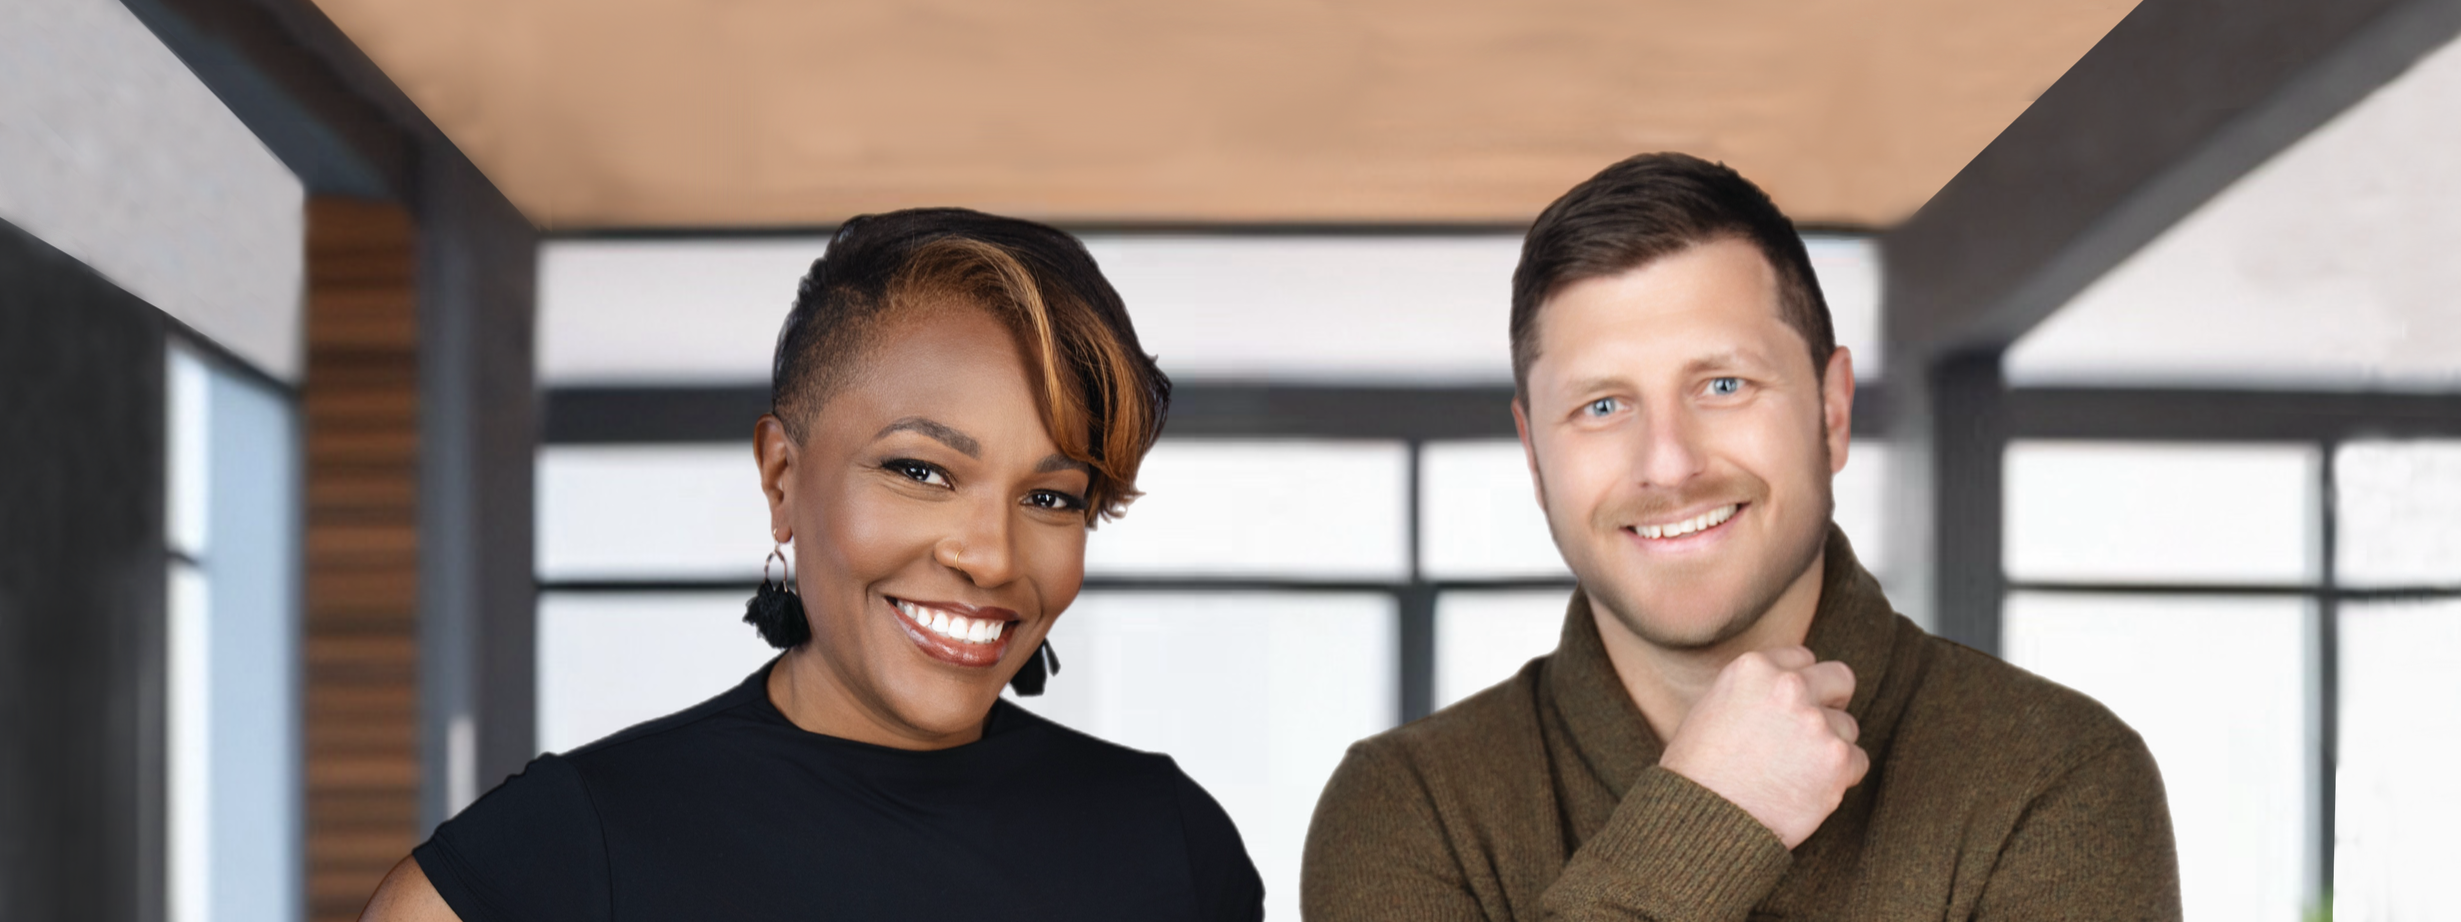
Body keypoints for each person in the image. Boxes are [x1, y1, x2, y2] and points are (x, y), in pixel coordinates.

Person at [1300, 154, 2180, 920]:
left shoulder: (2057, 776)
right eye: (1601, 406)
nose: (1670, 463)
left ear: (1831, 412)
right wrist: (1711, 820)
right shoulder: (1405, 808)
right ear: (1535, 456)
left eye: (1722, 385)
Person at [358, 208, 1265, 921]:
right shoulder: (571, 844)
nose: (990, 557)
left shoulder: (1169, 840)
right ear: (782, 476)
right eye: (920, 471)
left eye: (1052, 496)